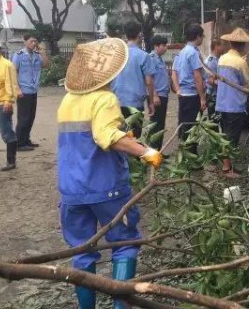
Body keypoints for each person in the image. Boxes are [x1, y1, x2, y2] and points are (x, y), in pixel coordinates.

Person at [57, 37, 162, 309]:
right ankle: (120, 306)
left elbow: (85, 139)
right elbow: (107, 137)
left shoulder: (67, 101)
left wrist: (122, 134)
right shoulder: (104, 98)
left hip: (71, 191)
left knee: (81, 252)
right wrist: (144, 151)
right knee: (125, 242)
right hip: (107, 189)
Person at [215, 28, 249, 178]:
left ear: (231, 43)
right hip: (235, 105)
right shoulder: (241, 62)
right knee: (232, 137)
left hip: (222, 103)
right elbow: (247, 84)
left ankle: (227, 165)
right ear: (243, 45)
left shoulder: (222, 58)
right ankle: (226, 169)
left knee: (225, 135)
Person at [111, 22, 155, 138]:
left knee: (118, 137)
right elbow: (149, 82)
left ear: (125, 34)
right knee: (134, 138)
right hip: (135, 104)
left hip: (116, 102)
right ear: (140, 34)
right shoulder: (144, 56)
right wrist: (150, 102)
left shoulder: (116, 55)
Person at [12, 33, 49, 151]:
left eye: (35, 41)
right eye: (32, 41)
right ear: (25, 41)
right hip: (23, 90)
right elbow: (14, 73)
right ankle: (19, 143)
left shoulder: (37, 55)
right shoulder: (18, 55)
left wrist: (42, 52)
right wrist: (17, 89)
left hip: (33, 90)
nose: (34, 43)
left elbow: (46, 65)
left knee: (31, 117)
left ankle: (26, 140)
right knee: (23, 118)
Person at [0, 37, 21, 171]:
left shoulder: (7, 65)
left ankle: (11, 161)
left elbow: (12, 84)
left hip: (1, 105)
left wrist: (8, 101)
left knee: (7, 133)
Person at [174, 24, 207, 141]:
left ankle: (185, 151)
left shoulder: (182, 52)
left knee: (184, 124)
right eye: (202, 36)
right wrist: (202, 98)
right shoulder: (192, 53)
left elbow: (175, 72)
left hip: (183, 95)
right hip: (192, 95)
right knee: (192, 127)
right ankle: (190, 152)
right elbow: (197, 76)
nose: (203, 39)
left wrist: (178, 89)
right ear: (197, 36)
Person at [149, 36, 170, 150]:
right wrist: (155, 95)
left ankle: (159, 151)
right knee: (156, 124)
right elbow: (150, 79)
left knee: (161, 124)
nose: (166, 48)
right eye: (164, 45)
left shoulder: (159, 58)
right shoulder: (152, 58)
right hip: (158, 97)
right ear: (157, 46)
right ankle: (153, 151)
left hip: (163, 95)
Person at [205, 39, 226, 117]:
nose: (224, 47)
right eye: (222, 45)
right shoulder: (211, 61)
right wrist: (223, 83)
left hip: (215, 93)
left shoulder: (217, 59)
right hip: (212, 95)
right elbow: (210, 80)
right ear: (216, 46)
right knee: (214, 119)